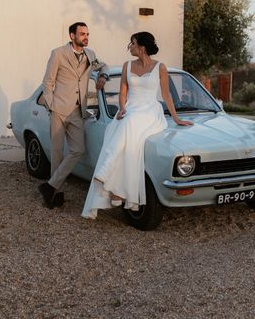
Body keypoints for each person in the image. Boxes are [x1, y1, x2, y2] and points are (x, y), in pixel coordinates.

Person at [82, 31, 192, 219]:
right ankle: (117, 191)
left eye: (132, 43)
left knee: (127, 126)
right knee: (121, 133)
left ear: (141, 47)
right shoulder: (127, 66)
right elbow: (123, 92)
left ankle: (107, 172)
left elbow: (166, 95)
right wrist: (122, 108)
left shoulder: (160, 67)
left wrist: (176, 119)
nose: (129, 47)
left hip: (150, 110)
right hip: (130, 108)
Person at [38, 22, 109, 209]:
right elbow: (48, 82)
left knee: (77, 150)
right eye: (82, 34)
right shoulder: (58, 54)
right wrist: (51, 105)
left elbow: (104, 66)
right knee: (57, 153)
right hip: (59, 110)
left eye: (87, 34)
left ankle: (50, 186)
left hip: (78, 112)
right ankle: (55, 195)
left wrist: (103, 76)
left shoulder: (90, 55)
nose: (86, 37)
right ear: (72, 36)